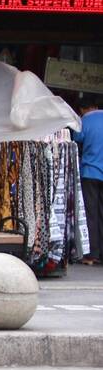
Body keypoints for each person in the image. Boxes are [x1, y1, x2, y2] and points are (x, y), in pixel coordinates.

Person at [71, 96, 102, 265]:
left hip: (90, 173)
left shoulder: (84, 121)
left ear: (83, 110)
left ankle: (92, 254)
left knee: (91, 214)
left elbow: (77, 140)